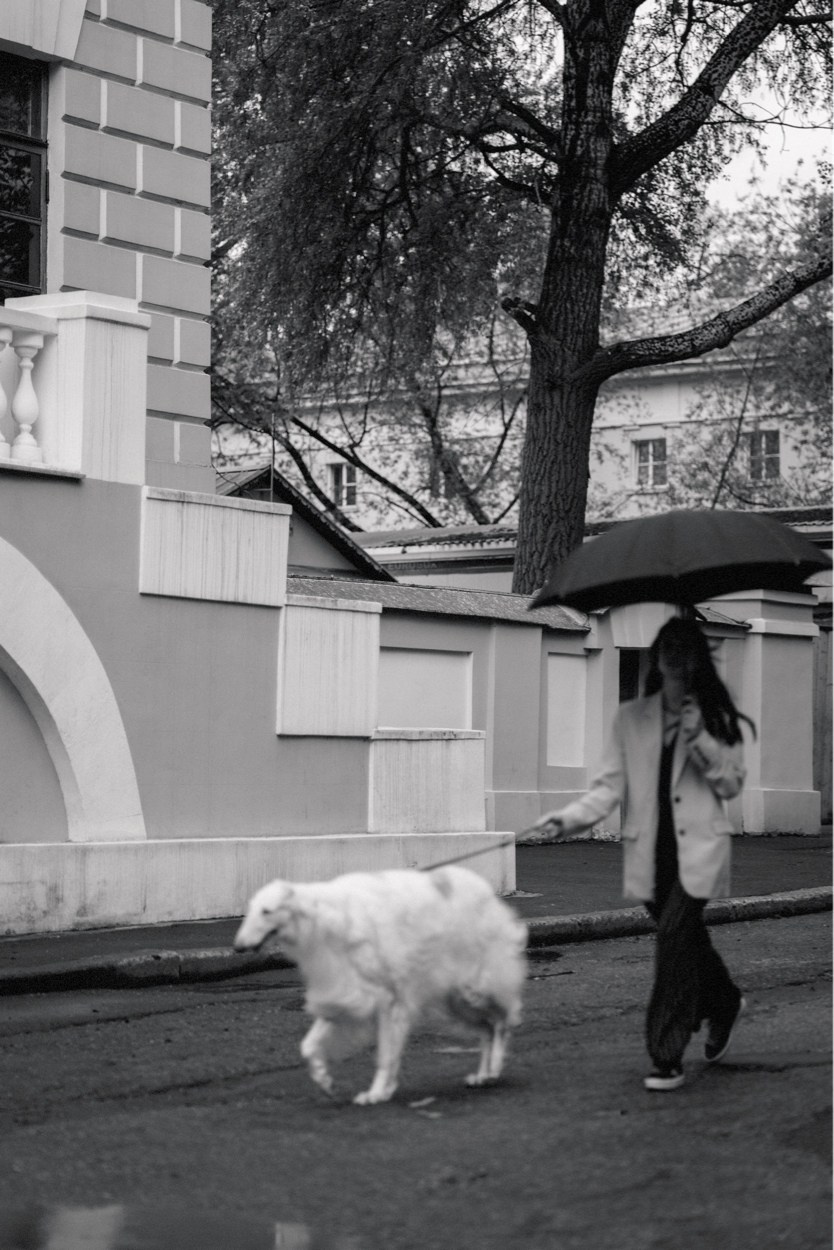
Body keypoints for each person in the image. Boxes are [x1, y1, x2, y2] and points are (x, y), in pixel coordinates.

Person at [521, 615, 754, 1091]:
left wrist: (701, 741)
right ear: (658, 655)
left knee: (672, 939)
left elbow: (731, 783)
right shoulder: (631, 718)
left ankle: (665, 1054)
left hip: (699, 851)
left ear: (695, 660)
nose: (672, 655)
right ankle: (724, 999)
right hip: (650, 854)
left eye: (682, 648)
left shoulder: (713, 717)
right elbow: (606, 791)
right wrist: (564, 820)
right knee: (686, 940)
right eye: (666, 646)